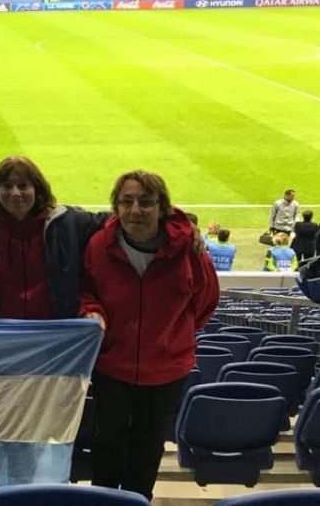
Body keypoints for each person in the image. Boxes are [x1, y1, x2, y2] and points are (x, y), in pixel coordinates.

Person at [79, 170, 219, 501]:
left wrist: (173, 337)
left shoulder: (189, 250)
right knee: (106, 442)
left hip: (166, 370)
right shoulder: (99, 245)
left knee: (148, 446)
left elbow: (205, 300)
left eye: (145, 202)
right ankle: (104, 501)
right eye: (126, 201)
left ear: (162, 207)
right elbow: (86, 290)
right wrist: (91, 310)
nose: (135, 210)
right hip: (113, 365)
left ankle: (137, 500)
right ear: (116, 206)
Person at [0, 156, 106, 320]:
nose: (15, 193)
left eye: (23, 186)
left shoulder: (66, 223)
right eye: (7, 186)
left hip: (52, 330)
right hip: (2, 331)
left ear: (37, 189)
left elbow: (113, 220)